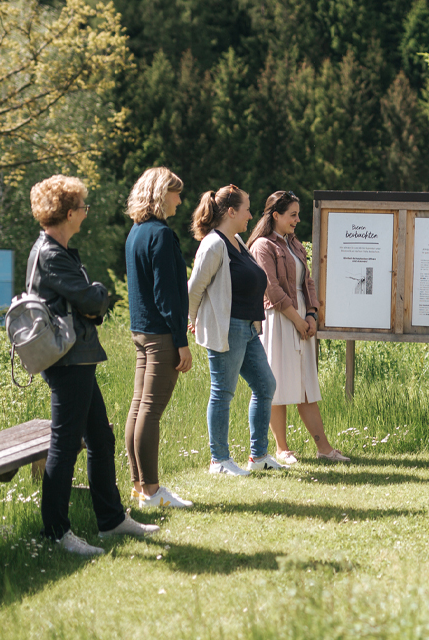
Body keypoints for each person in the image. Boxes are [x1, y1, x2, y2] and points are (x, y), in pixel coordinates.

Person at [28, 175, 158, 556]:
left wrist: (92, 300)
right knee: (65, 445)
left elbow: (87, 304)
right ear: (70, 213)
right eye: (84, 207)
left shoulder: (62, 250)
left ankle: (111, 520)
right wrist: (99, 293)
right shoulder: (51, 254)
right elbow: (90, 298)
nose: (86, 212)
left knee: (100, 439)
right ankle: (56, 532)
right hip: (67, 361)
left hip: (79, 357)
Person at [247, 190, 349, 464]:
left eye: (297, 214)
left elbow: (308, 283)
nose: (297, 220)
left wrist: (312, 315)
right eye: (292, 215)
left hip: (302, 318)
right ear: (276, 215)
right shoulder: (262, 246)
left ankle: (324, 449)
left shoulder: (294, 244)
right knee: (277, 384)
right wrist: (297, 319)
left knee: (306, 384)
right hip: (280, 320)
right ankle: (282, 449)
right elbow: (272, 288)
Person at [187, 184, 283, 475]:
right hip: (226, 328)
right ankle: (219, 460)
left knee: (266, 385)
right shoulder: (214, 244)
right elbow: (194, 288)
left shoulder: (238, 241)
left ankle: (259, 456)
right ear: (231, 211)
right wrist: (190, 321)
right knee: (223, 392)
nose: (251, 215)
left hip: (248, 328)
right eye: (246, 209)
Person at [124, 168, 194, 508]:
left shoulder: (136, 232)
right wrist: (181, 341)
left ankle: (139, 487)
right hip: (161, 335)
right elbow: (166, 293)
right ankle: (151, 491)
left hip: (141, 331)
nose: (180, 201)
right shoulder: (161, 235)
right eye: (176, 193)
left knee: (139, 408)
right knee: (150, 411)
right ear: (160, 193)